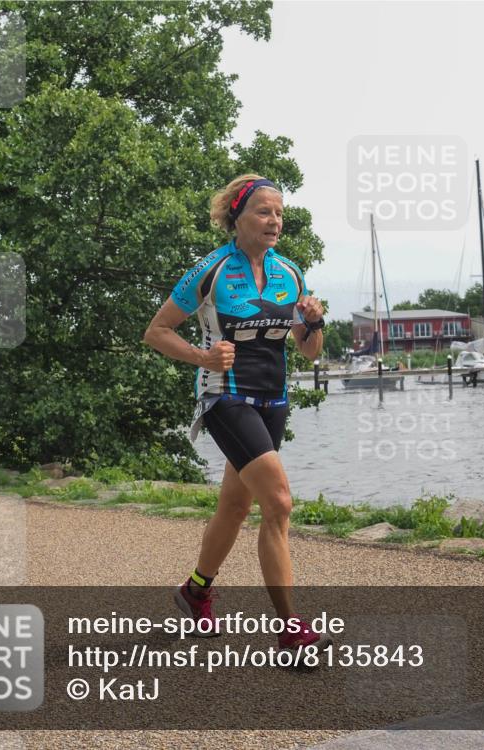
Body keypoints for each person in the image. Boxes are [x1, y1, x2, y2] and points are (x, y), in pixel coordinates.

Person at [143, 174, 329, 653]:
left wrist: (313, 323)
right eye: (264, 212)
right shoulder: (211, 270)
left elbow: (308, 350)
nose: (274, 221)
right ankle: (291, 630)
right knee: (279, 503)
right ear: (237, 217)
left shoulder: (290, 274)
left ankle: (196, 590)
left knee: (235, 505)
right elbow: (157, 331)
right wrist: (202, 357)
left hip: (273, 401)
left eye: (279, 213)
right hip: (225, 397)